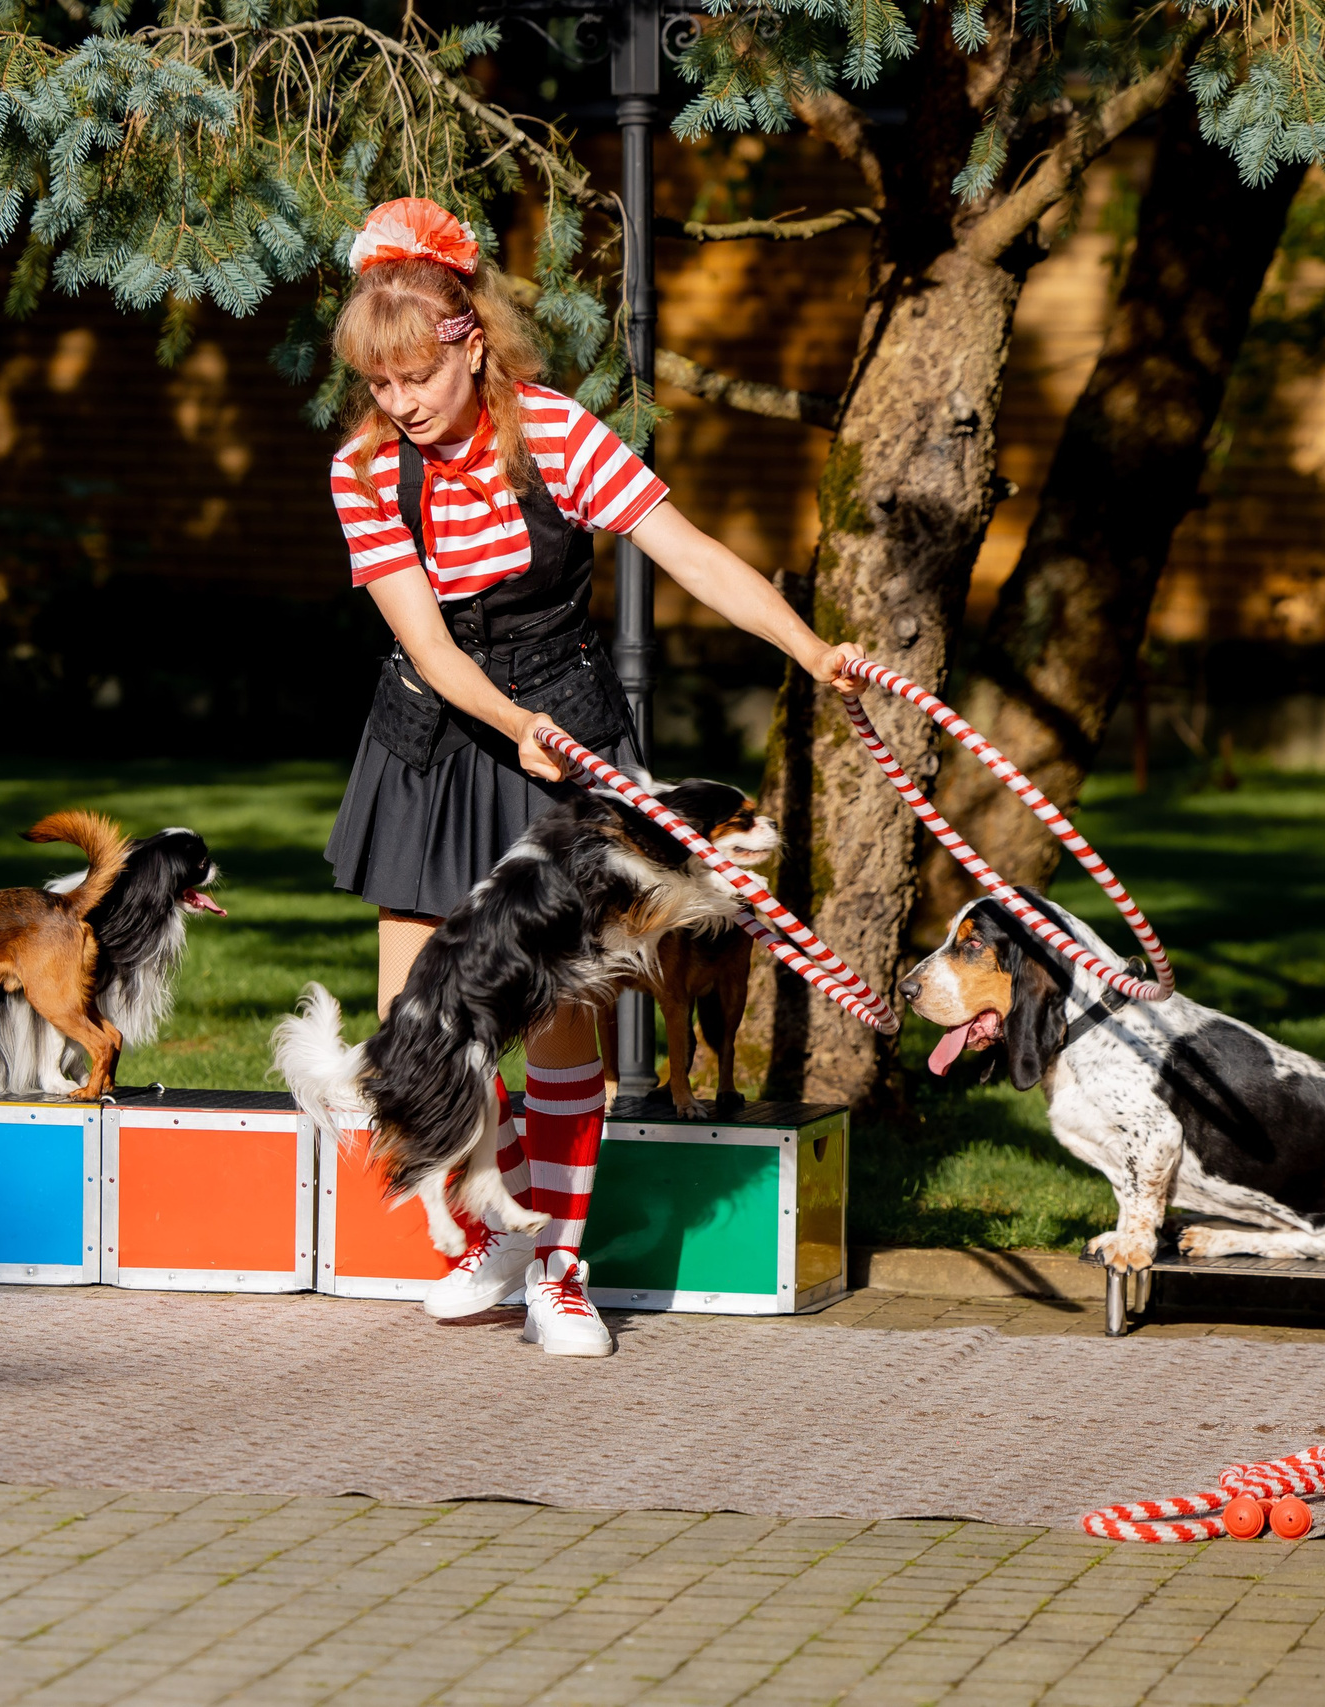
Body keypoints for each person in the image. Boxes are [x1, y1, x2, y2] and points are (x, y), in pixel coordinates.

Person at [323, 197, 862, 1356]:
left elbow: (690, 551)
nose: (399, 404)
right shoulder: (366, 471)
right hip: (436, 734)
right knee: (410, 1021)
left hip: (563, 730)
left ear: (472, 342)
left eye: (415, 375)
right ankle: (495, 1231)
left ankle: (559, 1268)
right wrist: (504, 720)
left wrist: (809, 649)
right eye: (379, 383)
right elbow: (427, 644)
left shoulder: (559, 434)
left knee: (564, 1019)